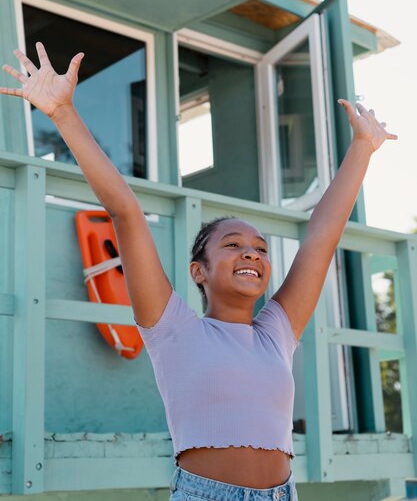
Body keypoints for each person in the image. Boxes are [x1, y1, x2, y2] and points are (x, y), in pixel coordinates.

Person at [1, 43, 397, 501]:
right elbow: (125, 211)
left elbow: (322, 237)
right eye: (232, 246)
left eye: (260, 249)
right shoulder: (173, 329)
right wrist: (63, 113)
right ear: (198, 271)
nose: (251, 254)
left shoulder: (277, 333)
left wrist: (363, 149)